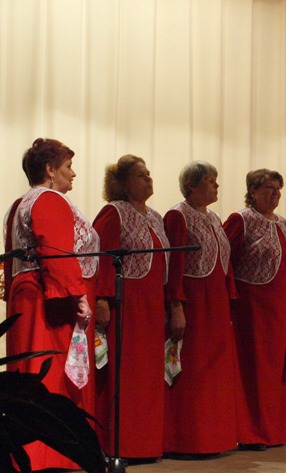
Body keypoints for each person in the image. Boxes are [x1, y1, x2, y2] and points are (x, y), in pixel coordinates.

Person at [4, 137, 99, 470]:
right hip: (49, 299)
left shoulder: (20, 203)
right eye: (68, 167)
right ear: (49, 169)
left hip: (27, 295)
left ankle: (28, 454)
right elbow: (57, 253)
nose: (73, 174)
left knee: (28, 371)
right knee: (49, 373)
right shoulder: (49, 199)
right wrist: (78, 295)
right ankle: (49, 454)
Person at [92, 155, 169, 460]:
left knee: (148, 377)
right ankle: (121, 445)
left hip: (153, 304)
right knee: (126, 375)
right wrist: (101, 299)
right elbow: (102, 257)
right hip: (125, 303)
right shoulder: (114, 212)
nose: (148, 179)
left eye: (148, 173)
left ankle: (146, 445)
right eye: (140, 175)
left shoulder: (156, 216)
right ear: (122, 183)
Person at [163, 161, 238, 456]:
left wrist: (230, 302)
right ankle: (187, 440)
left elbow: (226, 265)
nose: (216, 186)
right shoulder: (177, 216)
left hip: (216, 304)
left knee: (214, 373)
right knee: (193, 372)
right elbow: (175, 267)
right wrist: (176, 306)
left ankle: (213, 438)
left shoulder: (215, 218)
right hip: (193, 304)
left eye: (216, 180)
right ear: (191, 185)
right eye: (210, 181)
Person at [224, 169, 286, 450]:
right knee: (253, 368)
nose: (275, 192)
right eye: (269, 187)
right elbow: (225, 260)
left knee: (273, 369)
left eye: (278, 187)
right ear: (253, 191)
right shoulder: (241, 219)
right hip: (251, 306)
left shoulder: (282, 222)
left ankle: (273, 431)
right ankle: (250, 433)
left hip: (277, 307)